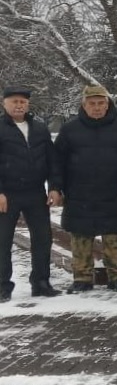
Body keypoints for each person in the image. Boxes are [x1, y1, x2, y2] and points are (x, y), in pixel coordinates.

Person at [54, 85, 117, 293]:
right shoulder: (69, 129)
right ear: (84, 105)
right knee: (80, 238)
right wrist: (56, 188)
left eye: (101, 103)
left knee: (113, 238)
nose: (97, 107)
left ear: (108, 105)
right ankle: (82, 278)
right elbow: (57, 162)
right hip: (79, 193)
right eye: (92, 104)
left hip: (112, 191)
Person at [0, 86, 61, 300]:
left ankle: (41, 282)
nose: (19, 105)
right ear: (4, 103)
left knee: (43, 238)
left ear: (28, 105)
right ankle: (2, 287)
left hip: (36, 192)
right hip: (7, 194)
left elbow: (52, 160)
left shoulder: (39, 128)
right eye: (14, 101)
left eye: (22, 102)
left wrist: (54, 187)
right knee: (3, 241)